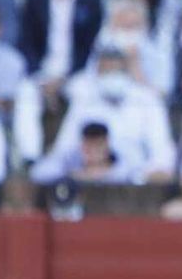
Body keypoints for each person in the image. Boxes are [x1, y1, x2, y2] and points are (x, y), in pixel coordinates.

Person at [43, 45, 173, 180]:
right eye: (106, 69)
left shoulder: (147, 99)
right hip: (86, 177)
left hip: (133, 178)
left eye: (115, 69)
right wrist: (80, 172)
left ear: (125, 69)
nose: (111, 74)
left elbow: (162, 153)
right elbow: (63, 148)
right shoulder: (84, 99)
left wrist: (142, 175)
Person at [18, 0, 103, 96]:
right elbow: (27, 41)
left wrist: (66, 77)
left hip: (77, 71)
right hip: (41, 69)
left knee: (83, 92)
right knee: (26, 92)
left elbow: (90, 44)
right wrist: (38, 74)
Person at [30, 118, 136, 183]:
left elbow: (133, 175)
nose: (92, 151)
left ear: (107, 145)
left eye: (97, 145)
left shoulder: (123, 167)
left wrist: (100, 176)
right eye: (88, 146)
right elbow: (37, 173)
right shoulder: (71, 167)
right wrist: (71, 176)